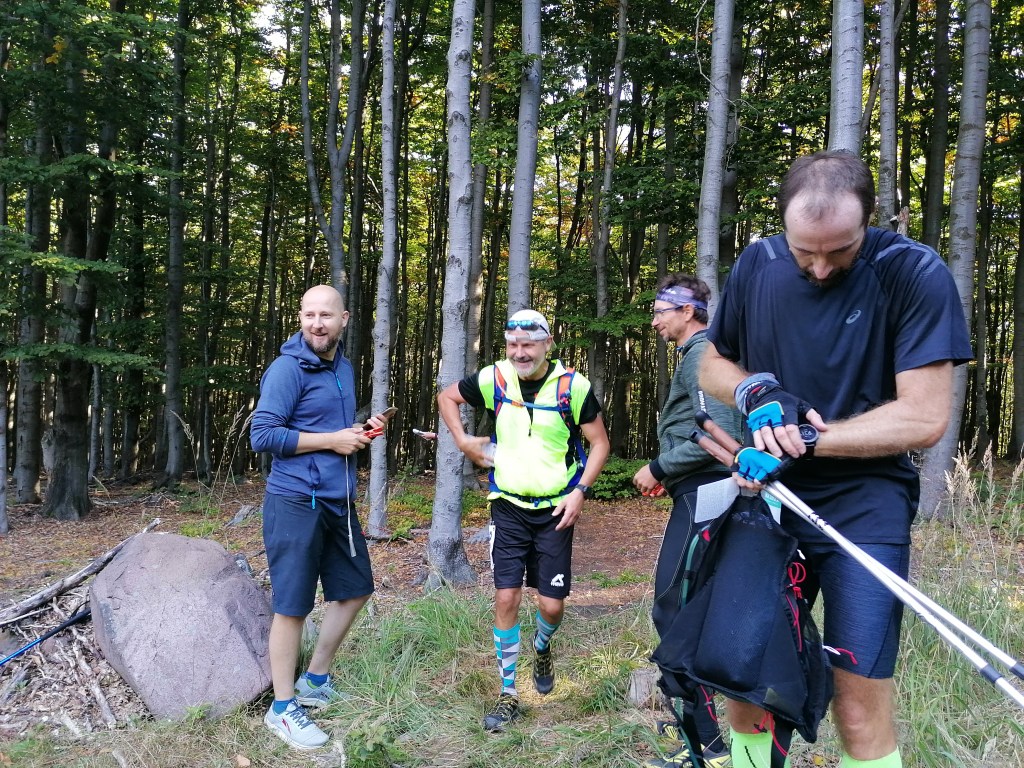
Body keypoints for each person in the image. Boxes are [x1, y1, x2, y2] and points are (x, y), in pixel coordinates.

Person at [700, 151, 973, 768]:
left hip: (866, 504)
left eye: (840, 250)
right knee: (749, 686)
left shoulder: (912, 271)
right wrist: (754, 390)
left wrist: (805, 438)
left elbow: (924, 417)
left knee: (858, 702)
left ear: (870, 222)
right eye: (806, 252)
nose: (821, 268)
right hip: (765, 500)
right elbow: (712, 362)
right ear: (783, 227)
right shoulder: (758, 263)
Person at [437, 309, 610, 732]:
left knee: (551, 605)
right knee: (506, 598)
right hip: (508, 506)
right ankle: (508, 692)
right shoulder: (494, 378)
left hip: (556, 511)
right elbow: (447, 397)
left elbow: (600, 443)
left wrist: (580, 492)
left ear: (548, 344)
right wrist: (463, 440)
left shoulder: (573, 387)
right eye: (513, 345)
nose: (520, 353)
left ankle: (543, 645)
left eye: (528, 344)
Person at [251, 284, 389, 750]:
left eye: (326, 315)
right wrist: (332, 440)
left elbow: (325, 429)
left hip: (336, 500)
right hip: (295, 501)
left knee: (355, 588)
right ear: (300, 317)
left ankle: (314, 680)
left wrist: (356, 432)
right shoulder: (286, 369)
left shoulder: (341, 367)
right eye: (309, 314)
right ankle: (282, 708)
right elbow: (263, 435)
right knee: (292, 606)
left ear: (343, 319)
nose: (317, 323)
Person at [632, 274, 742, 768]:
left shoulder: (702, 354)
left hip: (708, 493)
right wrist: (673, 474)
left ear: (687, 311)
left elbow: (718, 436)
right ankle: (708, 739)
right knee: (690, 608)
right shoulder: (699, 354)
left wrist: (658, 467)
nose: (654, 321)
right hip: (699, 490)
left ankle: (707, 745)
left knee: (672, 609)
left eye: (660, 311)